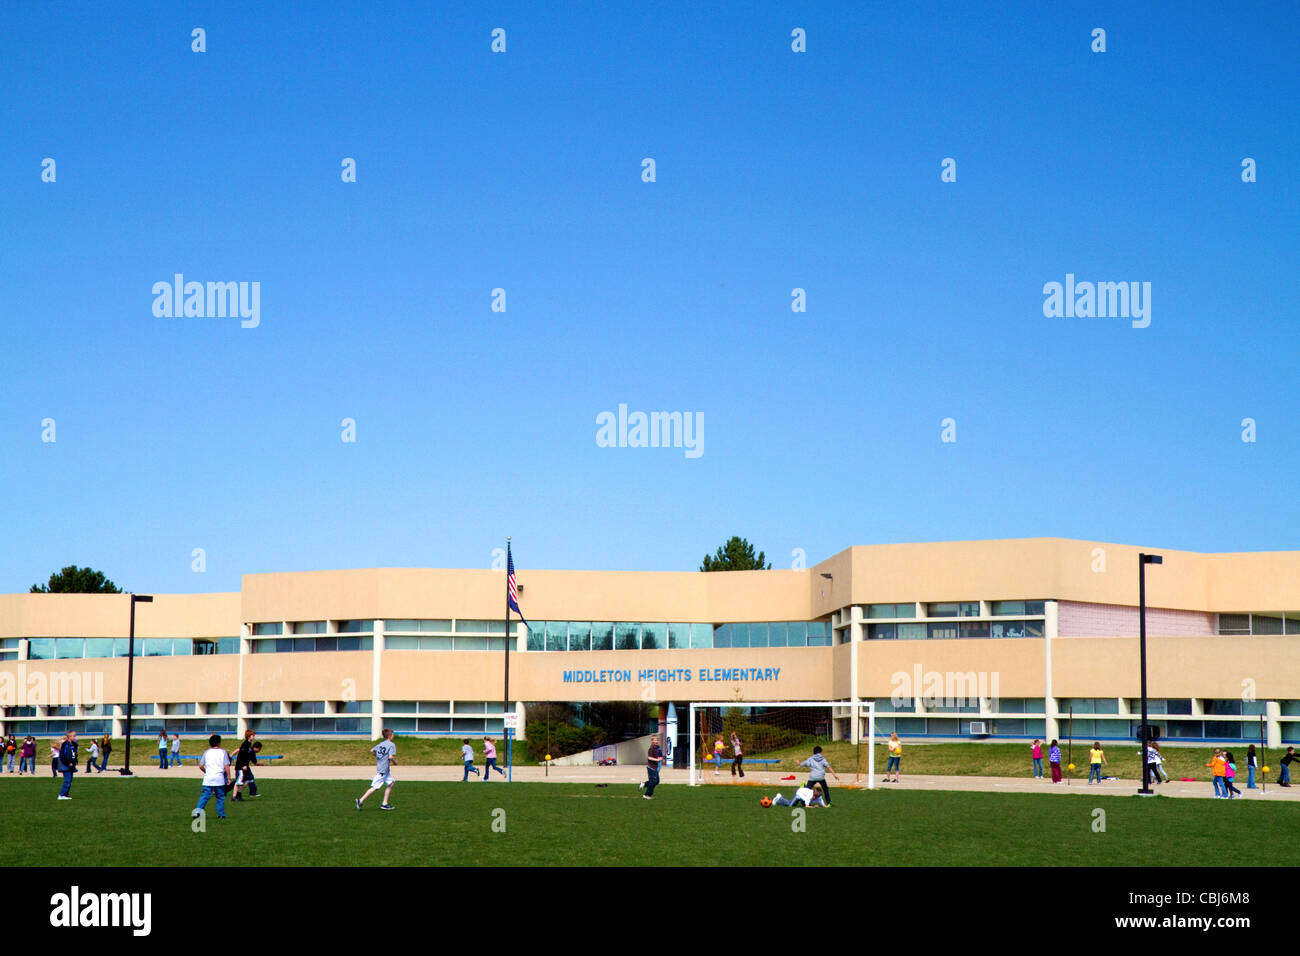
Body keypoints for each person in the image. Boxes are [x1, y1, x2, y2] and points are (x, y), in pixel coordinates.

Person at [356, 729, 397, 810]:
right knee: (375, 787)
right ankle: (360, 800)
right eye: (392, 734)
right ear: (389, 736)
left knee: (391, 783)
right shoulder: (391, 745)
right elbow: (390, 757)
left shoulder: (381, 744)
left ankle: (384, 803)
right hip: (383, 770)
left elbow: (372, 750)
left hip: (383, 769)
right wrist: (395, 762)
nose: (393, 736)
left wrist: (378, 757)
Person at [192, 734, 231, 820]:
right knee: (220, 796)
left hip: (208, 778)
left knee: (204, 796)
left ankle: (197, 812)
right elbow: (227, 766)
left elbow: (201, 765)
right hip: (219, 778)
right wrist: (228, 777)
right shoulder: (223, 752)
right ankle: (221, 814)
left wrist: (206, 771)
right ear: (219, 743)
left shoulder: (206, 752)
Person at [232, 730, 261, 801]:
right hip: (240, 767)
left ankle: (238, 795)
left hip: (244, 767)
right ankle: (234, 797)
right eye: (253, 735)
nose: (254, 736)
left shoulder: (249, 744)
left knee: (247, 781)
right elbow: (241, 755)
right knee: (238, 782)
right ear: (249, 736)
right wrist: (243, 765)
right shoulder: (245, 744)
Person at [640, 734, 665, 799]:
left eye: (657, 740)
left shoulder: (658, 747)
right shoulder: (651, 748)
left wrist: (661, 758)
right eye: (655, 740)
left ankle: (644, 784)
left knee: (656, 781)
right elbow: (649, 758)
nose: (656, 741)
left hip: (656, 766)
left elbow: (659, 755)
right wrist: (657, 759)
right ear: (652, 741)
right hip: (651, 767)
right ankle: (647, 795)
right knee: (653, 781)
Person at [57, 731, 78, 800]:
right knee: (67, 780)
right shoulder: (65, 744)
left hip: (71, 765)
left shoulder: (73, 744)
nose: (75, 737)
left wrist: (75, 761)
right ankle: (61, 795)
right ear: (69, 737)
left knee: (70, 780)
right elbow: (62, 755)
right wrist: (68, 763)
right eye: (74, 736)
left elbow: (74, 754)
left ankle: (65, 794)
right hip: (66, 765)